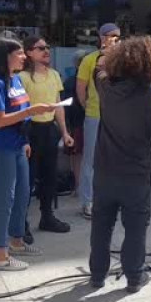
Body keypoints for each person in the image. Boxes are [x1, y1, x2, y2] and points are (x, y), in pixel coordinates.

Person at [89, 36, 151, 292]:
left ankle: (97, 275)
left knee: (101, 224)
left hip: (104, 170)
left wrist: (108, 51)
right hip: (135, 175)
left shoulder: (105, 88)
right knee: (135, 228)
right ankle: (134, 278)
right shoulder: (150, 99)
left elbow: (98, 70)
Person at [0, 38, 54, 271]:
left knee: (23, 193)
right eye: (20, 53)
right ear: (6, 56)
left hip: (18, 144)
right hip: (0, 146)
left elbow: (21, 112)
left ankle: (16, 240)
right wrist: (34, 110)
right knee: (6, 198)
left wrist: (24, 140)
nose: (24, 57)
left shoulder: (16, 80)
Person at [19, 36, 74, 235]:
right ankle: (21, 223)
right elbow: (20, 108)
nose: (46, 51)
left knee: (50, 176)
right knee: (27, 179)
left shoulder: (54, 75)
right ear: (29, 52)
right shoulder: (22, 78)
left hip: (49, 130)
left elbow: (58, 105)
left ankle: (47, 216)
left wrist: (65, 132)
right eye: (41, 48)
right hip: (30, 129)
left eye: (47, 47)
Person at [76, 23, 121, 219]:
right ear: (102, 37)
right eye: (111, 36)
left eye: (118, 37)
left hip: (117, 116)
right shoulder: (89, 60)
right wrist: (87, 107)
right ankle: (87, 201)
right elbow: (81, 88)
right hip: (95, 114)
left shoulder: (123, 60)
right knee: (91, 160)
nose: (115, 40)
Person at [61, 51, 86, 195]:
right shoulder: (73, 82)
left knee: (77, 156)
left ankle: (78, 186)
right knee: (78, 156)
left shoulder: (70, 81)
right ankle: (78, 186)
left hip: (76, 122)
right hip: (78, 122)